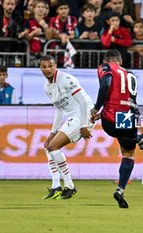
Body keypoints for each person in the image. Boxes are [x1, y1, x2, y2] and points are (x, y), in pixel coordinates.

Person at [90, 49, 143, 208]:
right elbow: (127, 99)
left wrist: (97, 108)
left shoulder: (105, 67)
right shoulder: (130, 74)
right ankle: (121, 189)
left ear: (107, 60)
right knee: (128, 153)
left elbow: (106, 84)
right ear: (120, 61)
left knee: (118, 136)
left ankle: (140, 138)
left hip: (110, 118)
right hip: (128, 118)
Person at [40, 55, 95, 199]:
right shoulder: (47, 87)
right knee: (48, 145)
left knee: (54, 147)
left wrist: (84, 125)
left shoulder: (66, 79)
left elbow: (83, 101)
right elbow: (59, 109)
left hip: (84, 114)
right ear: (40, 68)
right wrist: (52, 132)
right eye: (44, 67)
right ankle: (56, 185)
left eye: (50, 66)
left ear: (55, 66)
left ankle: (70, 186)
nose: (47, 69)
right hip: (73, 116)